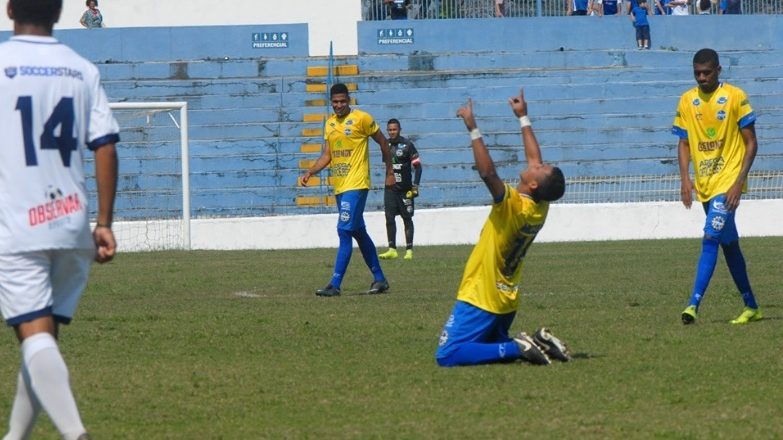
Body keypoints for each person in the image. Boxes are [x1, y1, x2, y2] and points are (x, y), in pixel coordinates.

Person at [0, 0, 120, 438]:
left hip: (17, 226)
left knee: (35, 339)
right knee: (42, 342)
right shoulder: (80, 69)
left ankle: (76, 434)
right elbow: (105, 146)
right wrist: (104, 222)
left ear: (10, 9)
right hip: (71, 224)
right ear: (60, 11)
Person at [435, 89, 569, 367]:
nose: (537, 163)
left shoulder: (513, 206)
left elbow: (488, 174)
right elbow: (534, 159)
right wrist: (522, 117)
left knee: (448, 354)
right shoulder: (539, 206)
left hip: (482, 296)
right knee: (486, 345)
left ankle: (517, 348)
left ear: (533, 184)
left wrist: (473, 128)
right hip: (506, 300)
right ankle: (538, 342)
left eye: (541, 167)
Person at [672, 48, 762, 325]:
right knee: (729, 245)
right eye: (697, 73)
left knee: (710, 237)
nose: (701, 78)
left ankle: (692, 305)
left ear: (718, 70)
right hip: (705, 185)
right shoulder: (687, 101)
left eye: (706, 72)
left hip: (728, 183)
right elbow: (684, 143)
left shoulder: (735, 96)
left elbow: (751, 143)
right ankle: (751, 306)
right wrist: (685, 179)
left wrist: (738, 183)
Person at [300, 83, 394, 297]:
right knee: (358, 232)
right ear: (330, 102)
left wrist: (389, 172)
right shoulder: (330, 123)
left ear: (349, 100)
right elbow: (327, 154)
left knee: (343, 230)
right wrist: (311, 171)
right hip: (340, 186)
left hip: (358, 184)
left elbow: (383, 142)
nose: (339, 105)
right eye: (335, 102)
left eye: (343, 101)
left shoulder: (362, 119)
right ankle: (380, 279)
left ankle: (335, 284)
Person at [378, 119, 422, 261]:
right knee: (389, 218)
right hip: (390, 189)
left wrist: (415, 186)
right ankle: (392, 249)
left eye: (394, 129)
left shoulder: (408, 145)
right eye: (389, 130)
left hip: (405, 189)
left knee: (407, 219)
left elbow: (418, 167)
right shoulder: (385, 145)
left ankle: (409, 250)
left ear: (399, 129)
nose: (392, 132)